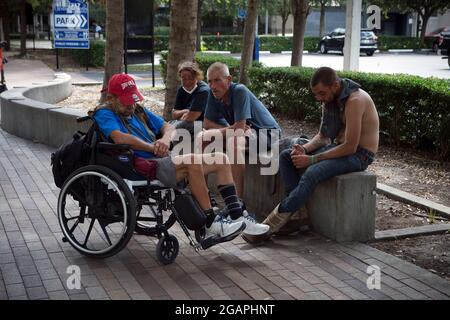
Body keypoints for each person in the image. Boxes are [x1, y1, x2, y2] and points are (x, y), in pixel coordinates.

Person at [92, 73, 269, 242]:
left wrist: (164, 140)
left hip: (161, 159)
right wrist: (152, 147)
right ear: (111, 99)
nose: (131, 105)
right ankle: (210, 224)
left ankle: (238, 217)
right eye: (126, 102)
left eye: (133, 99)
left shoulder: (138, 110)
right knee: (192, 161)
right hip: (142, 165)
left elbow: (168, 127)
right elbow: (119, 137)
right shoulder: (105, 113)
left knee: (221, 159)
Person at [243, 67, 380, 244]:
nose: (319, 98)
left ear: (335, 85)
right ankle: (297, 215)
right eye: (316, 95)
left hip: (359, 155)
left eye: (322, 93)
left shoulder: (355, 100)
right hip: (340, 148)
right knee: (287, 156)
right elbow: (323, 137)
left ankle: (269, 226)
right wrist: (304, 149)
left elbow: (351, 147)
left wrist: (313, 159)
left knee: (312, 173)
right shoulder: (331, 100)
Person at [198, 62, 281, 199]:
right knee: (203, 137)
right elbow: (207, 123)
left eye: (217, 80)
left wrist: (234, 128)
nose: (213, 86)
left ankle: (237, 202)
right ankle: (203, 196)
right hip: (245, 133)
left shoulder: (239, 91)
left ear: (229, 80)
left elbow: (239, 129)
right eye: (210, 82)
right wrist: (231, 128)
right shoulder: (213, 94)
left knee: (233, 142)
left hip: (267, 133)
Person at [171, 61, 209, 135]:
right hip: (187, 123)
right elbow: (174, 114)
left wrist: (184, 115)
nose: (187, 81)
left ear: (197, 76)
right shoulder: (181, 89)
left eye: (190, 78)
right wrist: (186, 111)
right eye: (183, 78)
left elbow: (191, 118)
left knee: (173, 129)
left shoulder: (203, 91)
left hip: (203, 125)